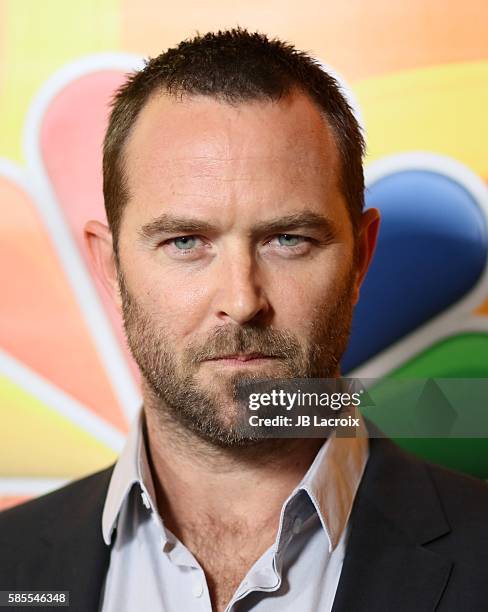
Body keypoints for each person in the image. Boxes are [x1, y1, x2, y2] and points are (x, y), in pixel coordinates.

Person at [1, 28, 487, 612]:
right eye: (185, 242)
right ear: (111, 267)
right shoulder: (12, 565)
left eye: (288, 239)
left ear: (361, 257)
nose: (242, 299)